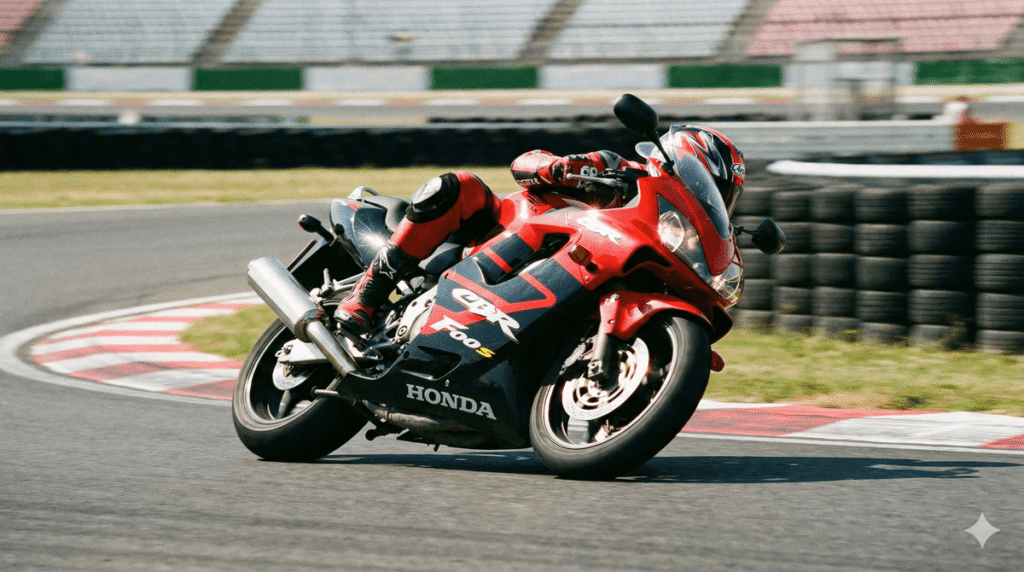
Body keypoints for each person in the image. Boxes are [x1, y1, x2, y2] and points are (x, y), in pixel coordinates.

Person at [334, 126, 746, 334]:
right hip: (497, 234)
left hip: (553, 289)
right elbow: (524, 162)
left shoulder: (669, 226)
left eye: (721, 197)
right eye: (708, 183)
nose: (709, 199)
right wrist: (558, 168)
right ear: (682, 161)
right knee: (460, 186)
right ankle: (365, 296)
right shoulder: (621, 172)